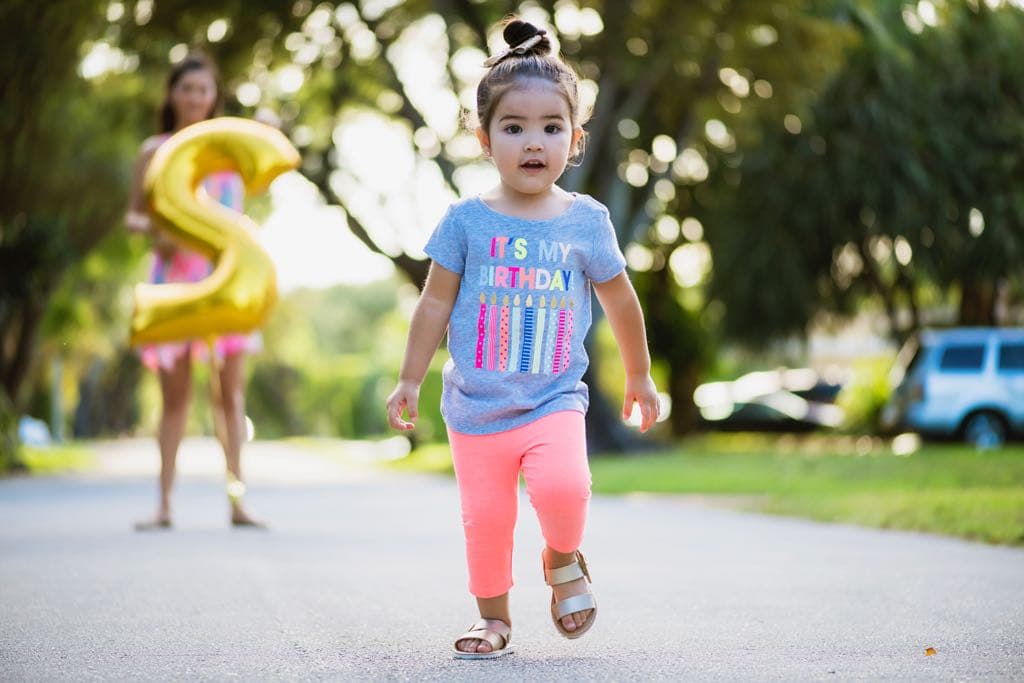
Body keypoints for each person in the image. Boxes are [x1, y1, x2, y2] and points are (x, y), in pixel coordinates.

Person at [385, 18, 659, 659]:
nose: (533, 142)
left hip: (553, 398)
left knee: (566, 490)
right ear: (484, 139)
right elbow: (433, 303)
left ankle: (562, 558)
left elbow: (620, 298)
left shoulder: (587, 222)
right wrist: (409, 377)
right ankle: (493, 620)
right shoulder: (465, 221)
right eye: (514, 127)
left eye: (550, 127)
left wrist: (641, 374)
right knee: (486, 522)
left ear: (575, 138)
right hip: (476, 406)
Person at [125, 53, 263, 530]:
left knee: (230, 396)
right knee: (176, 399)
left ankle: (237, 500)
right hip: (175, 283)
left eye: (203, 90)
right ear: (173, 94)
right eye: (187, 89)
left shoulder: (229, 149)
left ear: (213, 96)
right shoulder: (154, 150)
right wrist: (158, 229)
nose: (195, 98)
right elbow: (133, 215)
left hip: (225, 283)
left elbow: (249, 205)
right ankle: (163, 504)